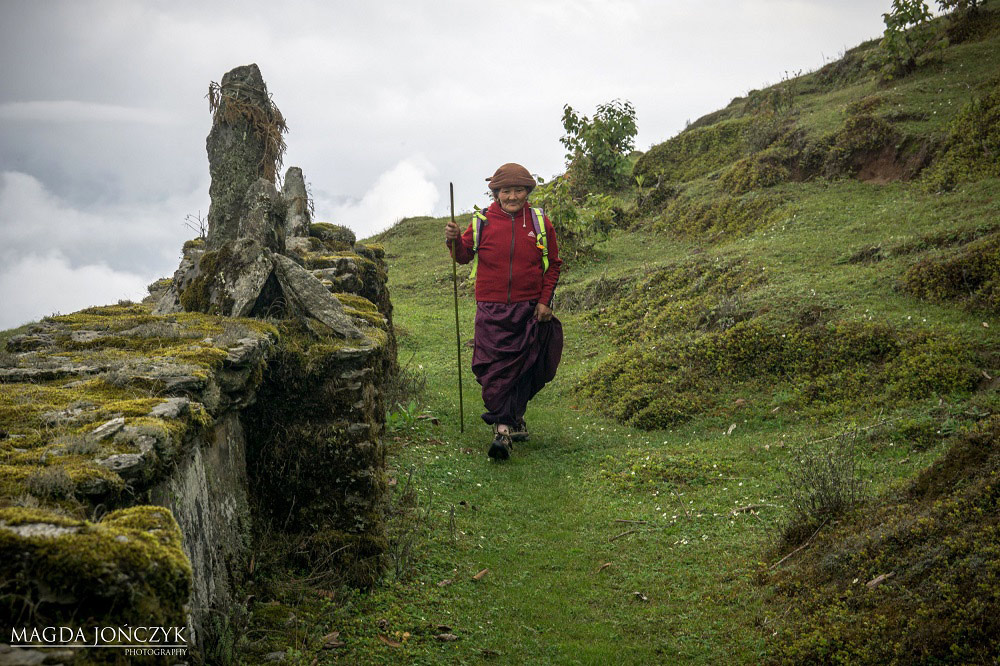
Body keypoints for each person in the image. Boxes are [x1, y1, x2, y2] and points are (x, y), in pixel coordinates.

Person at [445, 163, 564, 461]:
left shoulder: (539, 222)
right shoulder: (482, 221)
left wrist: (544, 301)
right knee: (493, 370)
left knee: (525, 367)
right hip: (491, 309)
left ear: (527, 192)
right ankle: (505, 426)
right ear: (496, 193)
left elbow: (554, 264)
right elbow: (463, 256)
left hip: (528, 309)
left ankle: (506, 426)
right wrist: (454, 240)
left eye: (519, 190)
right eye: (506, 191)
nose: (512, 197)